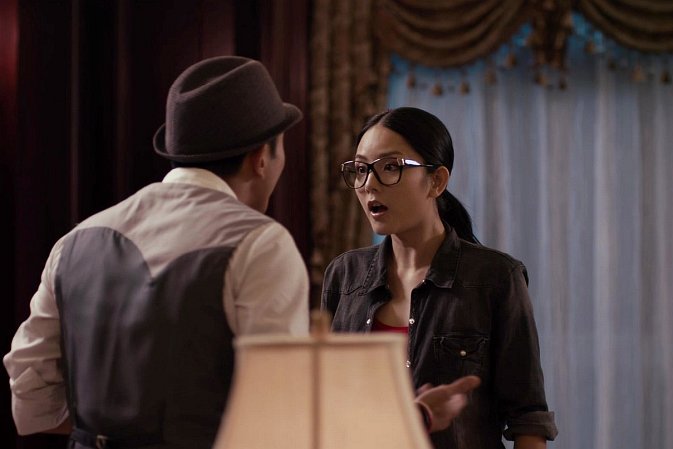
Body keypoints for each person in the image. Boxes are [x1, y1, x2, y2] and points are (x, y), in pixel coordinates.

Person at [4, 57, 477, 449]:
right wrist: (415, 415)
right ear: (261, 157)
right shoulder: (258, 244)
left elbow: (31, 404)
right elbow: (285, 422)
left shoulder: (75, 242)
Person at [321, 107, 558, 449]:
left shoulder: (495, 277)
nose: (369, 183)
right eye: (360, 169)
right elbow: (329, 406)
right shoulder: (344, 276)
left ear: (436, 181)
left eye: (390, 167)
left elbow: (528, 419)